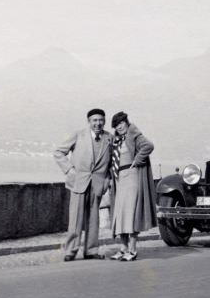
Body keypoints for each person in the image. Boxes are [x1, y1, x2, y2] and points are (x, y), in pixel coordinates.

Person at [53, 108, 113, 262]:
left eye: (100, 120)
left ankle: (91, 250)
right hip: (78, 182)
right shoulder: (78, 135)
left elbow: (113, 162)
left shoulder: (109, 138)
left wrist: (107, 180)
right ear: (89, 121)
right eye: (94, 120)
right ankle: (71, 251)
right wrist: (69, 170)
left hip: (98, 184)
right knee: (75, 219)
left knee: (94, 220)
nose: (98, 123)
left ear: (104, 121)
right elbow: (58, 153)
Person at [109, 111, 157, 261]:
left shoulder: (133, 134)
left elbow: (149, 146)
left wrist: (137, 161)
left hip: (131, 177)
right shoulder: (117, 140)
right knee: (120, 214)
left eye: (121, 123)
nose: (119, 127)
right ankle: (123, 249)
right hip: (119, 179)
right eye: (116, 125)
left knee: (130, 213)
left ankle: (132, 250)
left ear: (126, 122)